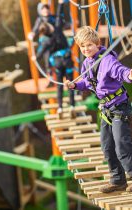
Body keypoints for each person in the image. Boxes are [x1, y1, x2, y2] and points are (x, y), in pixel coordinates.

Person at [65, 26, 132, 193]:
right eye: (82, 47)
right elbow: (87, 83)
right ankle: (118, 180)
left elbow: (120, 71)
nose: (86, 49)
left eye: (89, 45)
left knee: (122, 144)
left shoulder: (107, 60)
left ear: (97, 44)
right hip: (106, 108)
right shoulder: (87, 63)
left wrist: (129, 74)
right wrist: (74, 85)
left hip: (119, 107)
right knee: (107, 146)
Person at [33, 0, 75, 118]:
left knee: (60, 85)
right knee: (70, 83)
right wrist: (61, 4)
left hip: (57, 62)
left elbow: (39, 54)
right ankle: (72, 105)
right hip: (67, 59)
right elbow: (58, 18)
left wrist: (34, 57)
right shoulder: (57, 29)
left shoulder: (46, 41)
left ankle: (60, 107)